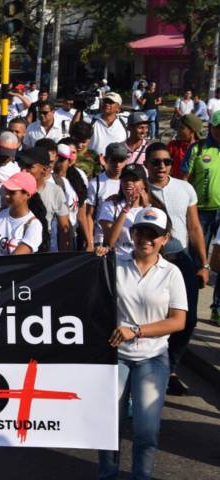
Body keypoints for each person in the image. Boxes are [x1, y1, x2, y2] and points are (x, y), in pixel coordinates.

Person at [97, 207, 186, 480]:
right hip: (116, 356)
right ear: (132, 233)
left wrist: (135, 330)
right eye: (140, 232)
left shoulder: (171, 273)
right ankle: (107, 475)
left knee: (146, 430)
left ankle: (141, 476)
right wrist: (95, 259)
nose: (145, 238)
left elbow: (177, 321)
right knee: (110, 426)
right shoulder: (114, 264)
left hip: (153, 357)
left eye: (153, 234)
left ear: (164, 238)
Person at [145, 142, 208, 396]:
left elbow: (194, 227)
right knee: (154, 315)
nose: (162, 166)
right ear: (147, 164)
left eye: (166, 161)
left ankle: (171, 367)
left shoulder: (185, 188)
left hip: (181, 259)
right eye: (156, 162)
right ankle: (152, 367)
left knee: (188, 317)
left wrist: (203, 264)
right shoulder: (141, 189)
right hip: (152, 261)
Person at [182, 110, 220, 321]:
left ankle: (218, 307)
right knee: (198, 260)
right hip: (201, 212)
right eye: (218, 128)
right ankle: (189, 306)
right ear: (211, 128)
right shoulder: (197, 148)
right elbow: (185, 179)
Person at [99, 164, 165, 255]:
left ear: (144, 184)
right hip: (120, 261)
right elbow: (109, 241)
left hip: (145, 260)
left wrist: (147, 208)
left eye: (134, 180)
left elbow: (158, 238)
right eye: (125, 179)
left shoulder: (154, 207)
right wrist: (126, 208)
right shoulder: (111, 205)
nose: (129, 182)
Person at [19, 145, 72, 251]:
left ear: (45, 169)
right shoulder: (11, 189)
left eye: (29, 167)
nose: (24, 171)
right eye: (22, 165)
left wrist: (63, 260)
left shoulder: (55, 191)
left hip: (45, 254)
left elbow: (64, 229)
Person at [84, 142, 128, 249]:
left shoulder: (129, 181)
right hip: (101, 238)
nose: (117, 165)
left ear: (126, 161)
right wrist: (90, 242)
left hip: (125, 238)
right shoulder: (95, 183)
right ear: (105, 160)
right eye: (113, 160)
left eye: (121, 161)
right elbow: (89, 215)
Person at [75, 92, 127, 158]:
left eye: (111, 102)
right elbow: (74, 131)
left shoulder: (125, 123)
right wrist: (79, 109)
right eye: (105, 101)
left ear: (118, 108)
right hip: (91, 164)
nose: (107, 104)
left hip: (114, 166)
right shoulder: (89, 120)